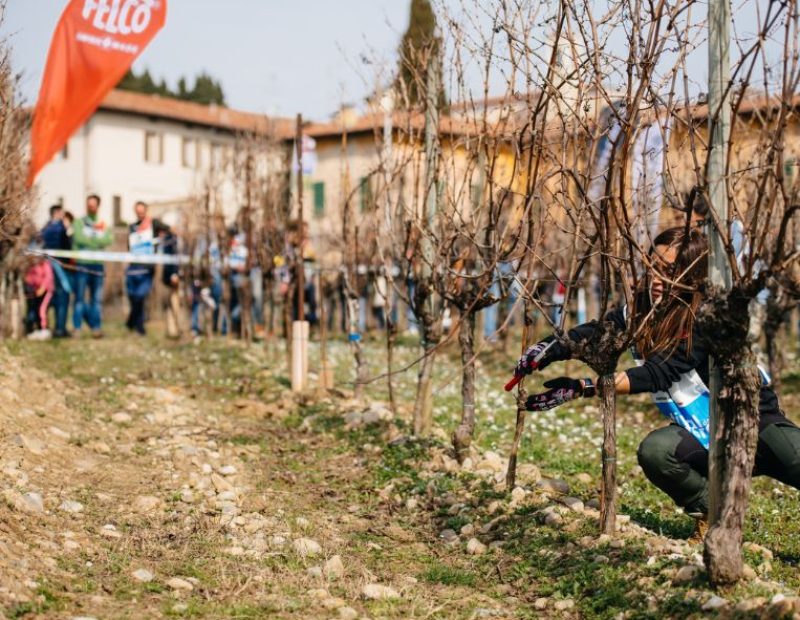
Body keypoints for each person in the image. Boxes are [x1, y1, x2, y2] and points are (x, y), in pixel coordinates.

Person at [515, 226, 800, 540]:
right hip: (699, 433)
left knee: (794, 457)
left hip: (753, 423)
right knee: (656, 451)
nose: (656, 279)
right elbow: (601, 330)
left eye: (668, 271)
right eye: (652, 267)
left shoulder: (706, 316)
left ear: (692, 277)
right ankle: (714, 513)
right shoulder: (642, 308)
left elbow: (657, 373)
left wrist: (585, 386)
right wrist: (549, 348)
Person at [72, 194, 113, 337]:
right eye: (88, 204)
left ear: (98, 206)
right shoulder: (79, 222)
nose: (91, 207)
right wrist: (96, 241)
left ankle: (96, 328)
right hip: (82, 265)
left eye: (93, 205)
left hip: (98, 266)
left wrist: (89, 241)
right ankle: (77, 328)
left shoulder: (103, 223)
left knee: (96, 299)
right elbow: (78, 238)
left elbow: (108, 240)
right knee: (79, 299)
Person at [39, 204, 73, 337]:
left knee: (48, 298)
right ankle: (60, 328)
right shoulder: (60, 228)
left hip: (46, 267)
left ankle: (45, 325)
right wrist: (67, 230)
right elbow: (67, 246)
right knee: (63, 296)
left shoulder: (45, 228)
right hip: (60, 267)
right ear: (57, 213)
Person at [125, 201, 156, 335]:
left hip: (147, 268)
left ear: (146, 211)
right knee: (132, 297)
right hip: (133, 267)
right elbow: (129, 246)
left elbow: (168, 230)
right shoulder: (131, 227)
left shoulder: (153, 224)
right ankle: (133, 322)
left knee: (140, 296)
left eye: (142, 211)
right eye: (138, 211)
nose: (140, 214)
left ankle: (138, 325)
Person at [23, 255, 54, 339]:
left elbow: (48, 277)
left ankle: (44, 329)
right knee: (34, 310)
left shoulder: (45, 264)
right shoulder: (29, 266)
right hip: (35, 291)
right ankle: (35, 329)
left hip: (46, 291)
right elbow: (29, 278)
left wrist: (42, 288)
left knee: (42, 310)